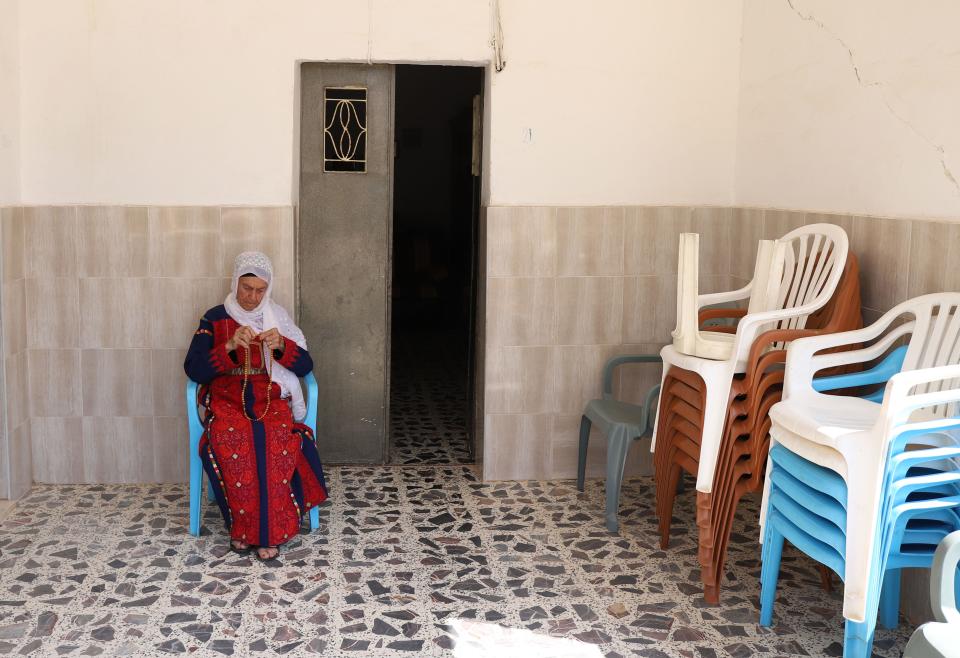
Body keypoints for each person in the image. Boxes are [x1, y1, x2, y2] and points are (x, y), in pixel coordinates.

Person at [184, 251, 327, 561]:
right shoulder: (214, 317)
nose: (252, 296)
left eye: (260, 290)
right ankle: (242, 528)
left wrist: (281, 346)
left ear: (268, 289)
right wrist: (230, 346)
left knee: (275, 440)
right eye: (246, 288)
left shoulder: (277, 318)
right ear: (235, 283)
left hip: (270, 398)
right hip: (227, 398)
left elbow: (305, 366)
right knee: (230, 436)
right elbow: (194, 369)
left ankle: (269, 533)